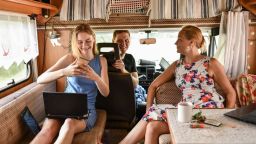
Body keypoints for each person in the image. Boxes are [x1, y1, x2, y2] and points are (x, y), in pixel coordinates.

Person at [120, 25, 236, 144]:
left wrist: (225, 118)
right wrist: (148, 112)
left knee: (153, 115)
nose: (175, 43)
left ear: (191, 42)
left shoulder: (211, 63)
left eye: (180, 39)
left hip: (208, 110)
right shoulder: (177, 65)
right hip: (185, 112)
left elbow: (230, 92)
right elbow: (153, 86)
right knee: (152, 127)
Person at [31, 24, 109, 144]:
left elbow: (106, 92)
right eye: (80, 42)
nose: (84, 45)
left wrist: (96, 78)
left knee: (69, 124)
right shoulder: (69, 59)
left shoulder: (101, 61)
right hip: (64, 106)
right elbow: (40, 79)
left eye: (88, 41)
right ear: (75, 42)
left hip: (86, 110)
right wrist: (64, 71)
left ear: (93, 39)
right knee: (47, 131)